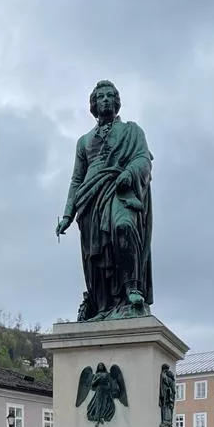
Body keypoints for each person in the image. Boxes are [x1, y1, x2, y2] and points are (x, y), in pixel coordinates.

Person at [56, 80, 153, 321]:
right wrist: (68, 214)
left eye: (110, 96)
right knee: (95, 256)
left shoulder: (132, 131)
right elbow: (76, 178)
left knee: (123, 227)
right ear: (94, 104)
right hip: (90, 199)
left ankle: (132, 287)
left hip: (120, 190)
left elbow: (143, 159)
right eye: (101, 97)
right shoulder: (83, 141)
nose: (106, 100)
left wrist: (129, 173)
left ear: (117, 102)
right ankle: (102, 305)